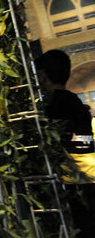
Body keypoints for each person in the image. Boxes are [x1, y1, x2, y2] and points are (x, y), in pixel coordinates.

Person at [35, 50, 95, 236]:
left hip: (68, 183)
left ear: (43, 76)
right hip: (89, 177)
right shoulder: (75, 101)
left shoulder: (49, 104)